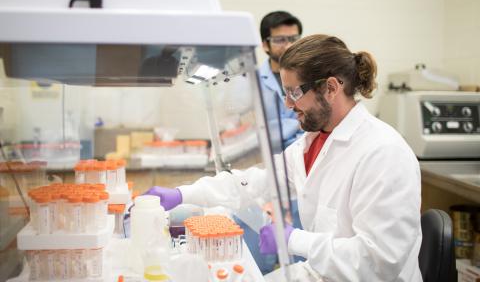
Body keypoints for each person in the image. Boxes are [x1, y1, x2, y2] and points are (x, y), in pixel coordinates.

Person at [144, 34, 422, 281]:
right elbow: (257, 182)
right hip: (324, 272)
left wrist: (292, 240)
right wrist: (182, 194)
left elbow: (380, 262)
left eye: (294, 93)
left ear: (332, 88)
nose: (288, 104)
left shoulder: (383, 154)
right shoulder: (313, 141)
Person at [259, 11, 304, 148]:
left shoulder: (311, 76)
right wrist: (297, 126)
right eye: (280, 40)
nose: (289, 46)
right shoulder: (251, 81)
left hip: (305, 154)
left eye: (294, 39)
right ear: (265, 45)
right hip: (269, 159)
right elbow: (252, 131)